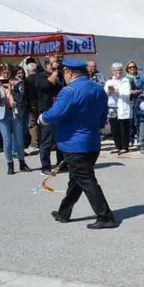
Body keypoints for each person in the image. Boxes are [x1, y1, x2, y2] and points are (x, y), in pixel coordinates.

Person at [40, 59, 117, 229]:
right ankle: (63, 213)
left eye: (64, 73)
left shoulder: (69, 91)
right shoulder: (97, 88)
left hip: (74, 144)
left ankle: (105, 216)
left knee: (86, 180)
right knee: (76, 180)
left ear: (68, 72)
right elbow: (103, 116)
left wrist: (42, 118)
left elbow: (55, 113)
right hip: (92, 142)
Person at [0, 63, 30, 174]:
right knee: (7, 140)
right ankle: (10, 164)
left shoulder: (18, 81)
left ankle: (22, 163)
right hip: (2, 114)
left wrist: (13, 88)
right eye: (3, 73)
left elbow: (21, 97)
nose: (5, 75)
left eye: (7, 73)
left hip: (15, 112)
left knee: (19, 139)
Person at [35, 55, 64, 174]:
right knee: (46, 141)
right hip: (47, 111)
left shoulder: (59, 76)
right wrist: (56, 71)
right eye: (54, 62)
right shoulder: (41, 76)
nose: (57, 64)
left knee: (61, 140)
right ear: (47, 65)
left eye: (57, 62)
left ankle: (61, 164)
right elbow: (47, 85)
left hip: (59, 111)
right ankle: (45, 167)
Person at [105, 63, 132, 155]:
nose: (118, 72)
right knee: (114, 127)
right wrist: (109, 91)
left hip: (122, 107)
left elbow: (127, 93)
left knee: (123, 128)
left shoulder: (125, 80)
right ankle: (118, 146)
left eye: (120, 70)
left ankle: (125, 147)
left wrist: (116, 90)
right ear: (112, 71)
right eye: (116, 70)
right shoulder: (109, 81)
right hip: (112, 107)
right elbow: (105, 92)